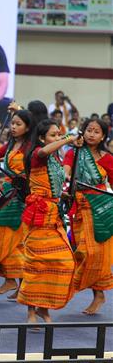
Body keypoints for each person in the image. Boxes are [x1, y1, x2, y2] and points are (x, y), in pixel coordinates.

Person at [19, 119, 76, 325]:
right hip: (38, 216)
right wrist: (67, 139)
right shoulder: (37, 155)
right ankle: (31, 311)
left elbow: (57, 181)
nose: (58, 137)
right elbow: (42, 153)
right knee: (37, 264)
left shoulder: (56, 159)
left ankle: (44, 307)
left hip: (54, 216)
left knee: (63, 262)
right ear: (42, 138)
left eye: (59, 134)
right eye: (53, 135)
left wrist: (62, 195)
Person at [0, 108, 32, 298]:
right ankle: (13, 280)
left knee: (14, 239)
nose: (13, 127)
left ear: (27, 127)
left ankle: (16, 282)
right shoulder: (10, 144)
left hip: (21, 196)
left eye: (18, 124)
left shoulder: (31, 147)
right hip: (8, 194)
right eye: (13, 123)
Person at [62, 118, 113, 315]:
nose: (92, 134)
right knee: (84, 252)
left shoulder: (107, 158)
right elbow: (66, 171)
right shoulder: (73, 153)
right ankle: (97, 293)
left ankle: (97, 294)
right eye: (89, 130)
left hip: (102, 208)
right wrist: (66, 177)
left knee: (96, 254)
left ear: (103, 136)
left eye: (96, 131)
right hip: (80, 207)